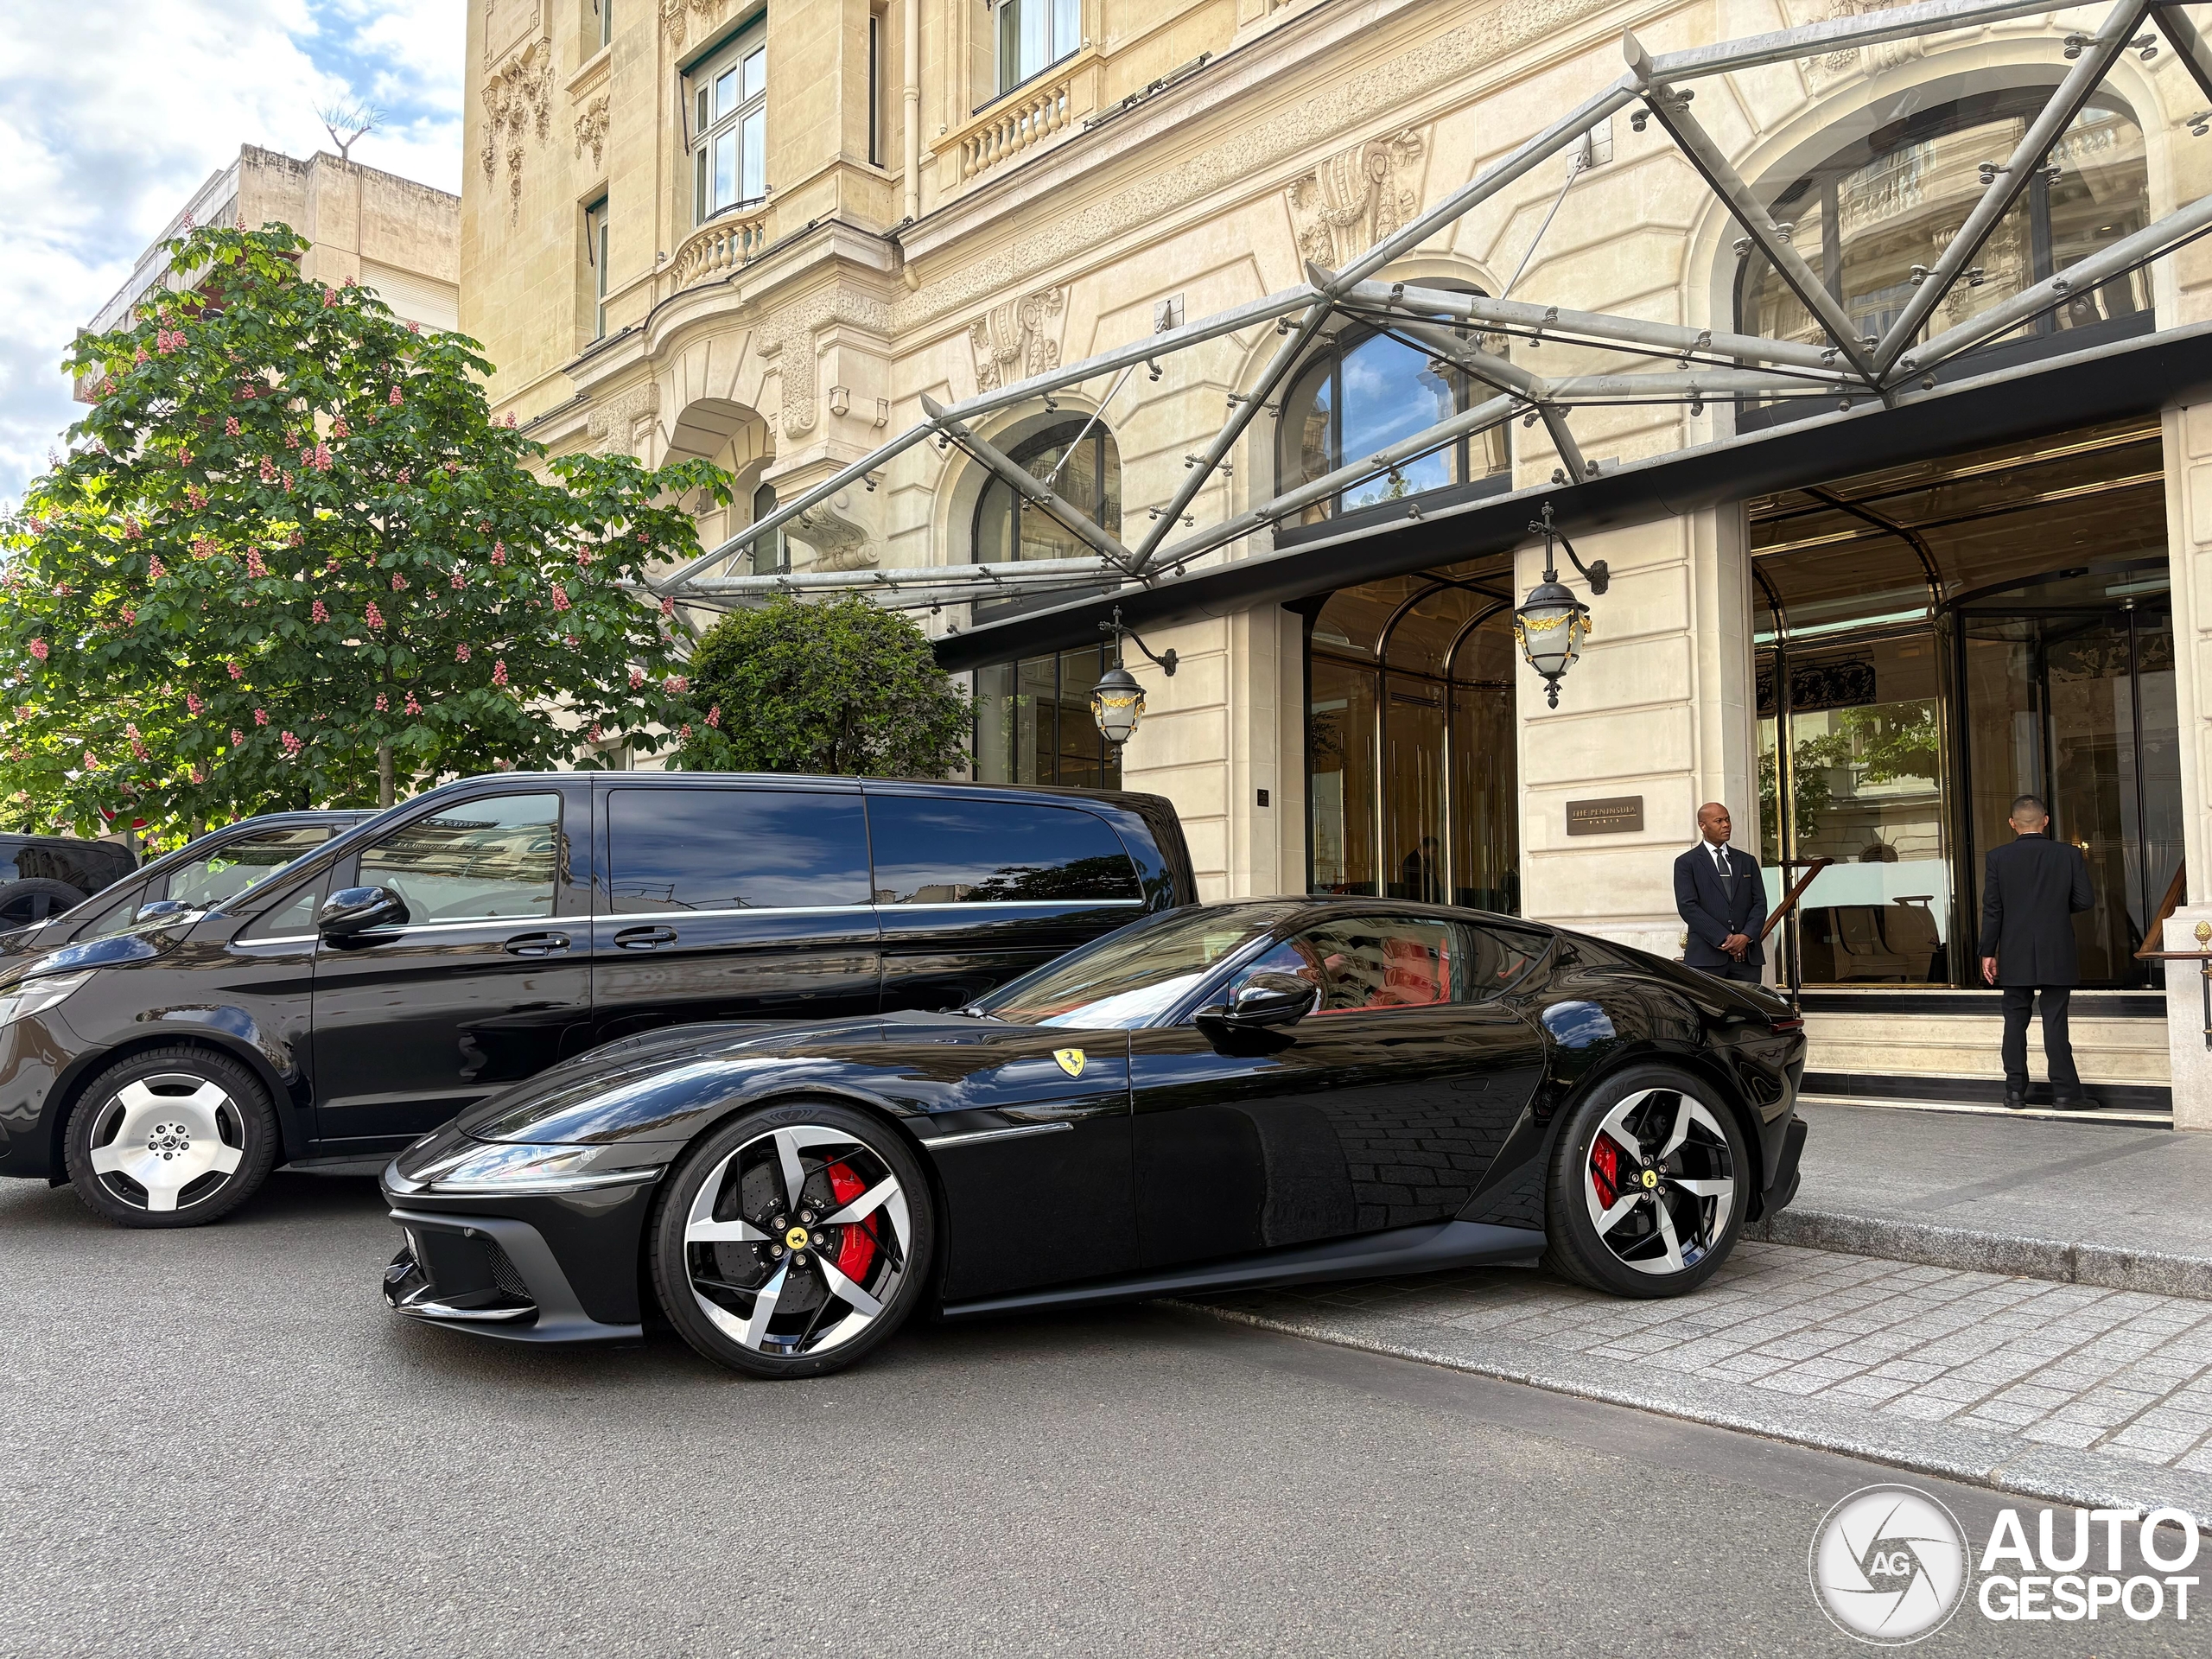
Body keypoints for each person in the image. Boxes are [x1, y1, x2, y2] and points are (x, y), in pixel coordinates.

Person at [1979, 793, 2096, 1110]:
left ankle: (2015, 1092)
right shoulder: (2068, 854)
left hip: (2014, 949)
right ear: (2045, 820)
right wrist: (2055, 908)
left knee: (2014, 1022)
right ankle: (2066, 1094)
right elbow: (2085, 900)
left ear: (2012, 823)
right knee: (2055, 1021)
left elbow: (1992, 909)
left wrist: (1988, 952)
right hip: (2056, 947)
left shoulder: (1997, 857)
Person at [1675, 803, 1768, 984]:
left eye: (1727, 819)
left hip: (1747, 959)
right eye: (1718, 821)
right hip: (1706, 958)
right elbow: (1688, 907)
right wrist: (1726, 939)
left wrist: (1745, 937)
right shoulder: (1686, 863)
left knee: (1748, 1003)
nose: (1726, 825)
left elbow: (1760, 904)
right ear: (1702, 825)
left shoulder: (1747, 861)